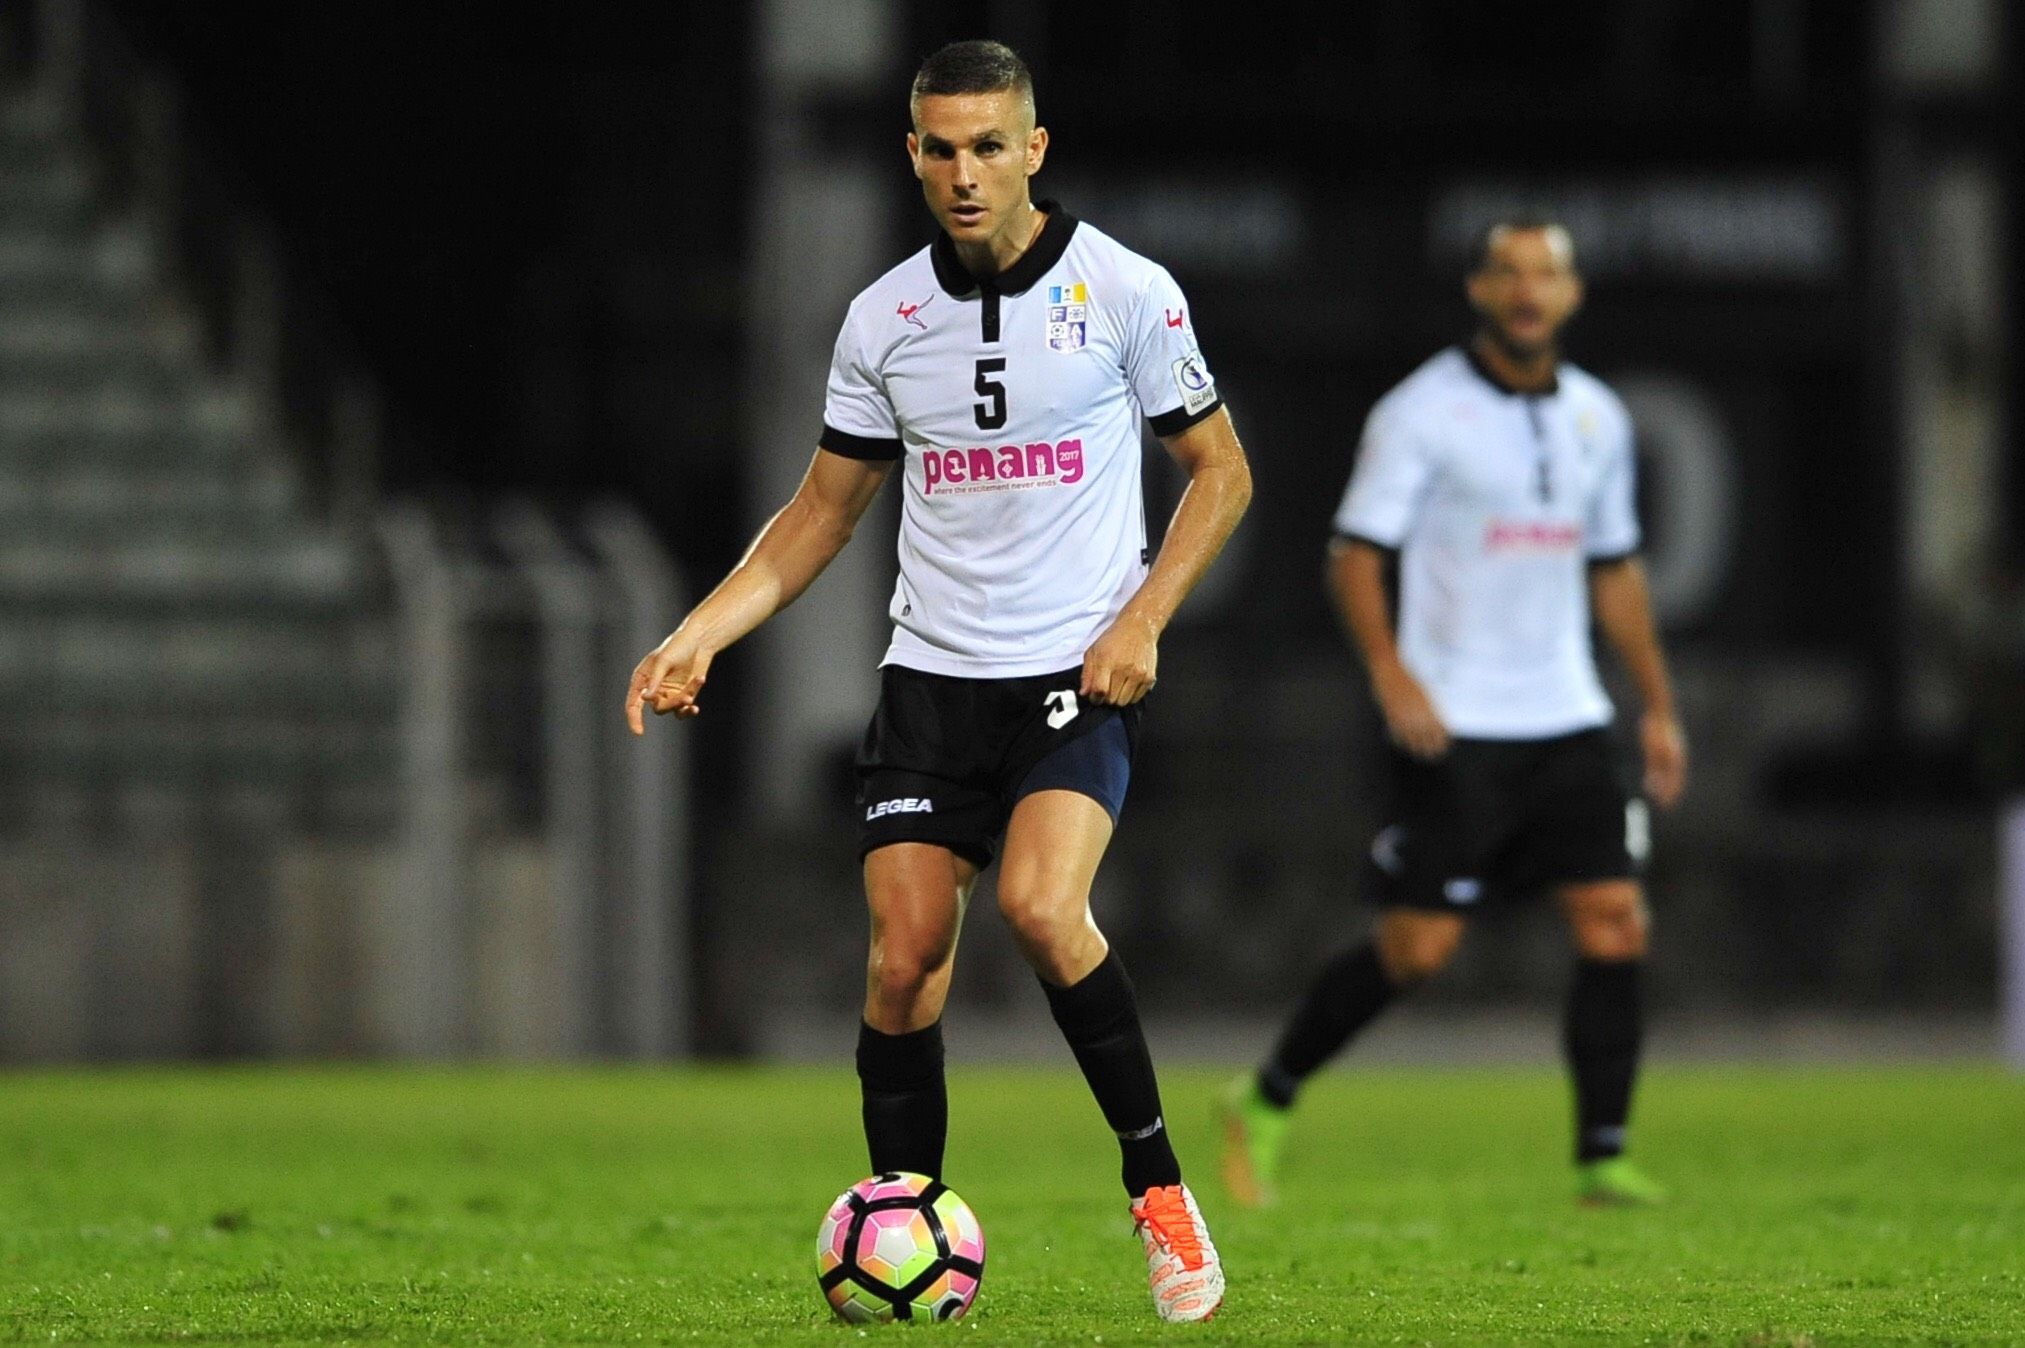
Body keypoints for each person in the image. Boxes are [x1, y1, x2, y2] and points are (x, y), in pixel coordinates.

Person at [627, 39, 1249, 1323]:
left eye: (989, 147)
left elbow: (1223, 473)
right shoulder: (879, 319)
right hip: (930, 688)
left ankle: (1160, 1191)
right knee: (905, 960)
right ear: (912, 155)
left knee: (1037, 906)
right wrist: (702, 628)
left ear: (1035, 148)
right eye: (941, 149)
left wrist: (1143, 620)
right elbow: (820, 513)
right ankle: (907, 1225)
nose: (966, 175)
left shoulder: (1125, 291)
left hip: (1071, 677)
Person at [1219, 217, 1686, 1209]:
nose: (1526, 291)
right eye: (1507, 272)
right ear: (1477, 289)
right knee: (1418, 949)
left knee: (1614, 920)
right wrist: (1392, 676)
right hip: (1456, 723)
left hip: (1568, 716)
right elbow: (1352, 552)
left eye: (1545, 274)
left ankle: (1603, 1150)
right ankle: (1264, 1096)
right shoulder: (1421, 412)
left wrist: (1657, 708)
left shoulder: (1598, 417)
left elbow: (1615, 573)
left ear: (1572, 295)